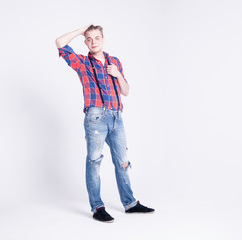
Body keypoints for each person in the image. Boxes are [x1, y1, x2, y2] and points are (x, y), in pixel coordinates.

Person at [55, 24, 154, 223]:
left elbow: (125, 91)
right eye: (89, 39)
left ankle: (130, 203)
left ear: (103, 39)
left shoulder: (114, 62)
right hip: (96, 118)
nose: (93, 42)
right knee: (94, 161)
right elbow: (60, 42)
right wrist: (82, 29)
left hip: (117, 116)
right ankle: (97, 207)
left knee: (123, 162)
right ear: (85, 41)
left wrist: (117, 74)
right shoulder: (82, 63)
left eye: (97, 38)